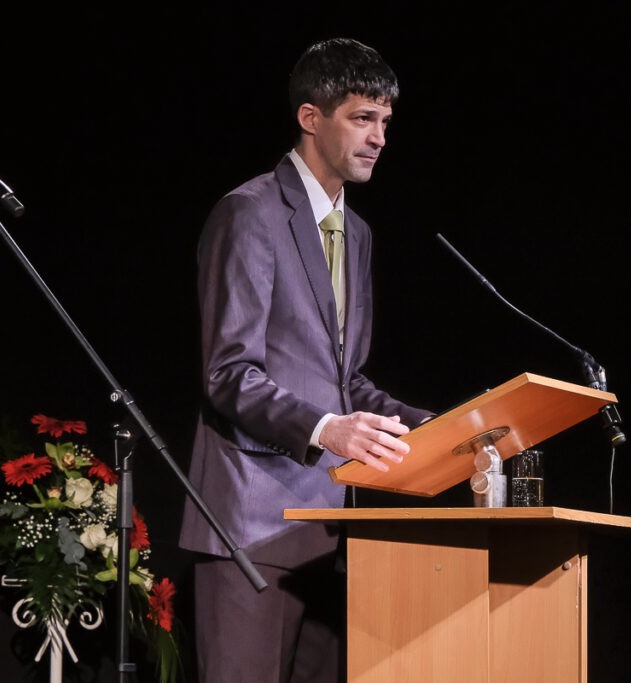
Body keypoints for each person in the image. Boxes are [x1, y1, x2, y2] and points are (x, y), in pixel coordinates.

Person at [178, 37, 433, 683]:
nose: (378, 138)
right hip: (252, 526)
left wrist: (443, 428)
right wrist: (325, 428)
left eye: (385, 122)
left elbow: (344, 380)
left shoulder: (358, 233)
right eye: (362, 118)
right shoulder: (249, 213)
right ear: (310, 117)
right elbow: (228, 372)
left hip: (330, 527)